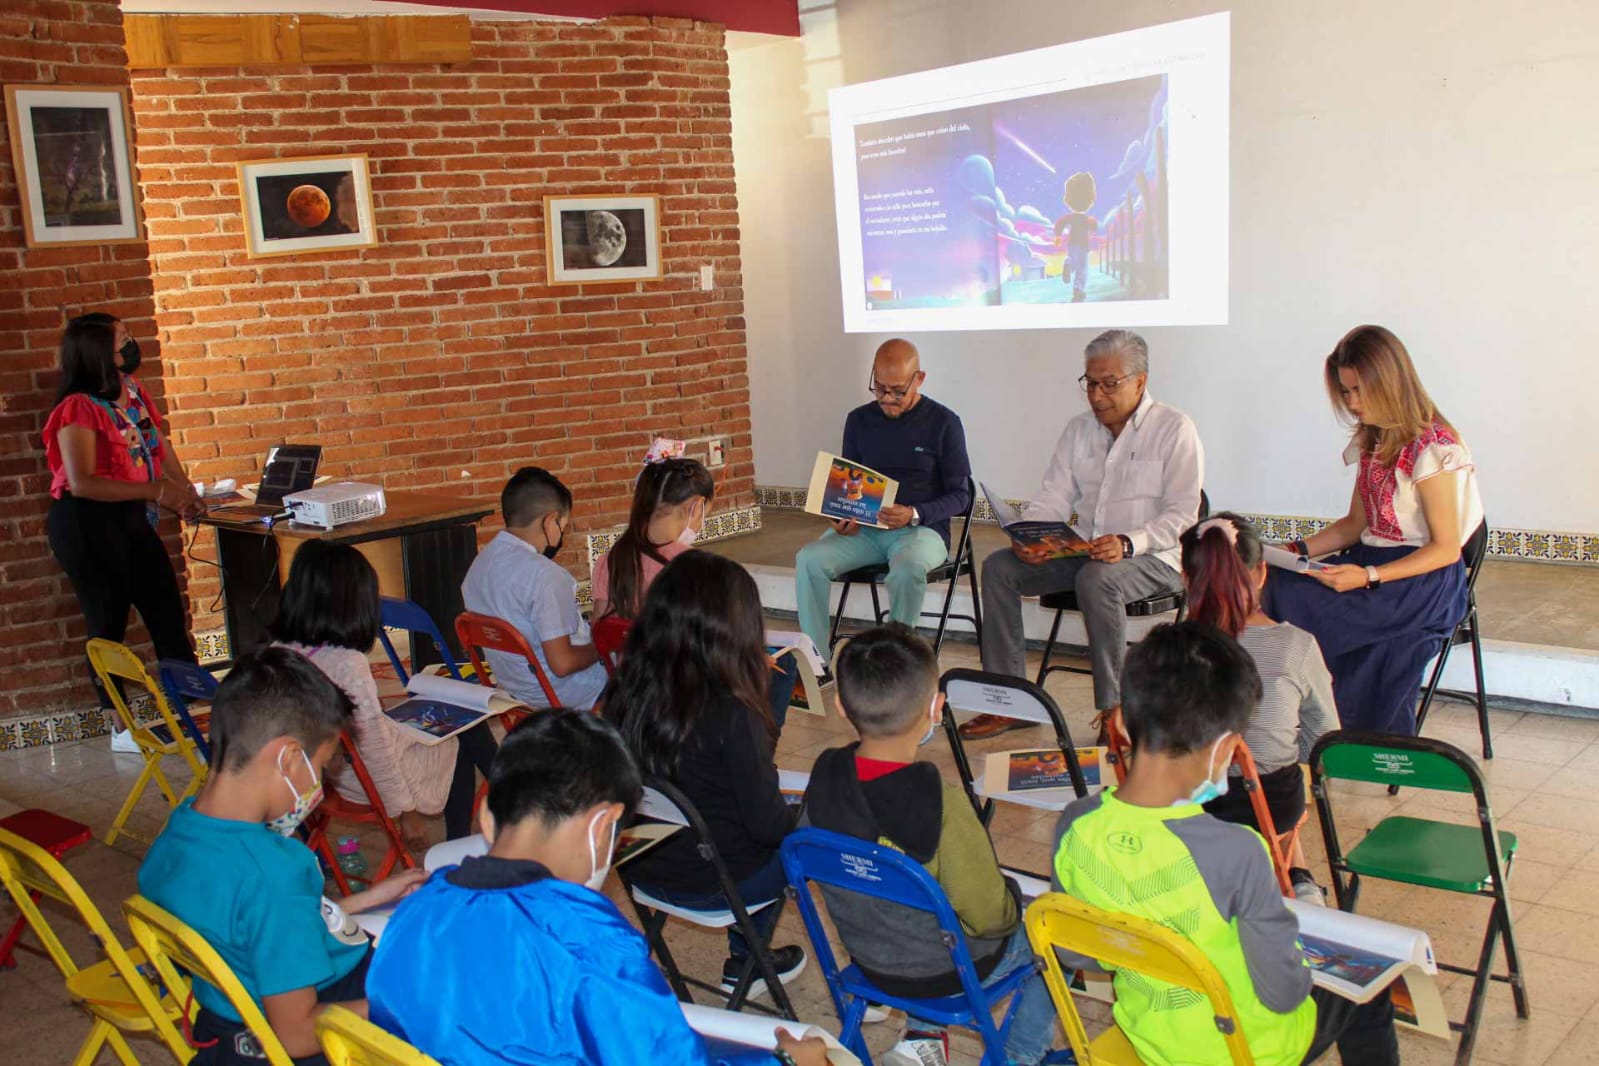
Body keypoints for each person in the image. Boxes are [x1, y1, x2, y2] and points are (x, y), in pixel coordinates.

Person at [366, 710, 831, 1066]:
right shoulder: (589, 941)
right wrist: (784, 1059)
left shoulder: (414, 914)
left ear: (487, 817)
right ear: (602, 826)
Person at [1051, 622, 1400, 1066]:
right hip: (1245, 1050)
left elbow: (1076, 952)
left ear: (1119, 722)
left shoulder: (1075, 825)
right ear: (1226, 750)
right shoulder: (1238, 850)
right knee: (1368, 990)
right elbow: (1283, 993)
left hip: (1153, 1040)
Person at [137, 647, 427, 1066]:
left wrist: (370, 898)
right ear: (289, 758)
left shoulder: (177, 835)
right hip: (309, 1029)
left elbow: (249, 927)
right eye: (324, 766)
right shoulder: (273, 872)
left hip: (229, 1023)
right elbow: (298, 1036)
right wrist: (413, 1001)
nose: (322, 785)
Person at [803, 625, 1069, 1066]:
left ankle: (922, 1038)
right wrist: (1014, 904)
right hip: (946, 972)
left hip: (871, 962)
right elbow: (987, 918)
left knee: (912, 903)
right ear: (936, 709)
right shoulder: (939, 802)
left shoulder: (824, 776)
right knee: (1056, 936)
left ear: (840, 706)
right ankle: (1020, 1055)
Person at [967, 328, 1203, 741]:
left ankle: (1115, 712)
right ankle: (1008, 701)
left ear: (1140, 381)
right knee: (999, 567)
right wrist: (1031, 537)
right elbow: (1053, 497)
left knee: (1096, 578)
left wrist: (1130, 542)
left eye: (1108, 384)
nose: (1096, 395)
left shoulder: (1174, 429)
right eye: (1090, 383)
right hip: (1089, 552)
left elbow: (1184, 515)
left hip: (1156, 558)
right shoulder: (1079, 431)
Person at [604, 551, 806, 998]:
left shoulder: (626, 686)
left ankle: (746, 956)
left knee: (734, 810)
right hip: (714, 880)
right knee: (815, 824)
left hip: (642, 866)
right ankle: (747, 959)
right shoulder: (732, 713)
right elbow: (769, 826)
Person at [1263, 324, 1483, 736]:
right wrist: (1291, 550)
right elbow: (1353, 526)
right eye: (1345, 392)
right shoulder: (1374, 439)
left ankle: (1305, 720)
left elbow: (1447, 548)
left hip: (1420, 581)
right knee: (1274, 579)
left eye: (1359, 391)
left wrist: (1369, 576)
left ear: (1390, 382)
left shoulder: (1433, 447)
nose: (1351, 402)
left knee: (1290, 598)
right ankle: (1280, 716)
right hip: (1372, 565)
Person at [270, 539, 497, 846]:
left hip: (327, 770)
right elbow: (374, 748)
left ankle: (507, 802)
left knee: (459, 726)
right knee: (463, 736)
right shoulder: (348, 664)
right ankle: (475, 829)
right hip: (361, 780)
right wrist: (405, 811)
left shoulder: (279, 651)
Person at [43, 313, 205, 736]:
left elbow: (159, 446)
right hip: (87, 523)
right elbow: (82, 483)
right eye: (122, 340)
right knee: (107, 619)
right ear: (98, 351)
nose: (131, 345)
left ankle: (192, 709)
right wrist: (156, 492)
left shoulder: (132, 391)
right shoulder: (77, 408)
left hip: (132, 516)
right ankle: (120, 724)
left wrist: (185, 492)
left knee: (166, 608)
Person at [1180, 513, 1337, 904]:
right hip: (1268, 802)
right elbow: (1326, 744)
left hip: (1183, 803)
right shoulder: (1296, 646)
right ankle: (1299, 883)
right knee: (1273, 782)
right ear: (1263, 573)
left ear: (1185, 580)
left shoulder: (1166, 648)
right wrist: (1281, 746)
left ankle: (1291, 878)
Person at [794, 338, 972, 668]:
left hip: (922, 531)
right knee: (808, 560)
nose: (887, 399)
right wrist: (841, 516)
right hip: (865, 531)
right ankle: (815, 663)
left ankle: (895, 662)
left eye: (897, 391)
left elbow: (961, 496)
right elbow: (847, 483)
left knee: (907, 569)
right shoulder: (859, 420)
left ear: (919, 379)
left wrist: (915, 514)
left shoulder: (944, 423)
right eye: (879, 388)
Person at [593, 456, 800, 724]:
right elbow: (717, 644)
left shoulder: (610, 559)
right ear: (696, 506)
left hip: (634, 685)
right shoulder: (693, 567)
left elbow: (599, 628)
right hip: (684, 690)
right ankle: (757, 755)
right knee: (783, 664)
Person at [461, 466, 608, 710]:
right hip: (563, 692)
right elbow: (562, 664)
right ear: (550, 521)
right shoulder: (545, 576)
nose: (561, 534)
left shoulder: (478, 566)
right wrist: (602, 646)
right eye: (563, 526)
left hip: (513, 688)